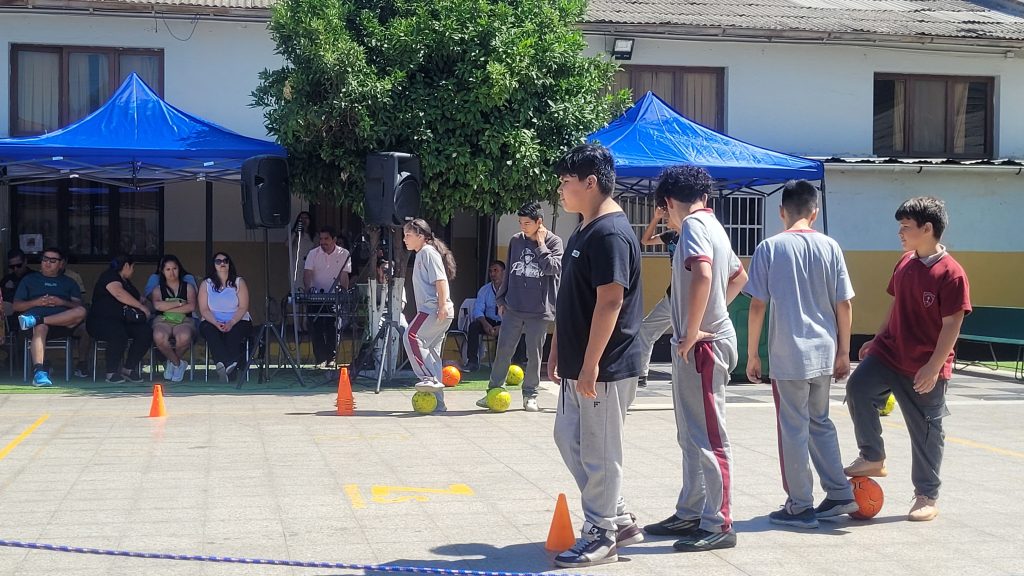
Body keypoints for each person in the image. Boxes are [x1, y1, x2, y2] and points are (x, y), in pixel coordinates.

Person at [844, 196, 970, 522]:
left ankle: (926, 495)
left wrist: (934, 366)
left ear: (927, 229)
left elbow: (952, 323)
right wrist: (877, 338)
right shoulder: (904, 262)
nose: (900, 232)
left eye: (906, 226)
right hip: (890, 351)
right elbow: (895, 304)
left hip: (925, 363)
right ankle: (873, 456)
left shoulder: (951, 273)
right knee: (858, 387)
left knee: (926, 431)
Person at [548, 144, 644, 568]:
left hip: (605, 366)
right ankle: (617, 516)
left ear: (591, 182)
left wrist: (590, 365)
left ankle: (602, 534)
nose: (560, 190)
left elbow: (610, 301)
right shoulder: (585, 228)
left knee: (600, 452)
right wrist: (557, 348)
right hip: (579, 363)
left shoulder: (610, 233)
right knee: (568, 438)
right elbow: (571, 298)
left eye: (566, 182)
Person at [644, 165, 747, 552]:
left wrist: (693, 328)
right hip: (705, 341)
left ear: (669, 202)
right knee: (691, 434)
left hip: (702, 346)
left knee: (708, 437)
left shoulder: (692, 226)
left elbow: (703, 274)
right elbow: (739, 277)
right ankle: (690, 512)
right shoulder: (714, 225)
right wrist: (714, 315)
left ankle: (719, 522)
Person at [744, 180, 858, 528]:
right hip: (824, 350)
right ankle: (839, 492)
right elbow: (844, 303)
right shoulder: (831, 246)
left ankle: (800, 505)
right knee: (820, 422)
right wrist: (844, 351)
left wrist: (752, 354)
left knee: (793, 427)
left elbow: (757, 305)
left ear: (782, 212)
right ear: (815, 212)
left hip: (788, 353)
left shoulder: (770, 247)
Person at [478, 201, 563, 412]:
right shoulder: (516, 241)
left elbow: (553, 268)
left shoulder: (554, 242)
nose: (523, 227)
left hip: (539, 310)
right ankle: (493, 391)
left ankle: (530, 395)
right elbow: (509, 271)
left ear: (539, 222)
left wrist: (541, 245)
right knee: (503, 350)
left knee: (534, 355)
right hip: (513, 307)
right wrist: (500, 299)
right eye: (520, 223)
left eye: (527, 223)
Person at [403, 219, 457, 412]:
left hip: (433, 309)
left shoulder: (427, 252)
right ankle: (438, 403)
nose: (404, 239)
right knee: (432, 354)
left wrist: (442, 306)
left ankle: (428, 378)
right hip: (436, 310)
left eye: (408, 235)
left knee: (410, 336)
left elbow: (440, 281)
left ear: (421, 236)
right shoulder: (421, 254)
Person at [13, 247, 87, 387]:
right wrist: (37, 302)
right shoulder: (29, 279)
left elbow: (78, 306)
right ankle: (39, 372)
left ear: (61, 264)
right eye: (45, 260)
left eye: (53, 261)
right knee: (41, 327)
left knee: (81, 311)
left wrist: (62, 302)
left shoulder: (69, 282)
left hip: (62, 324)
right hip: (36, 327)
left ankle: (36, 320)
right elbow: (16, 306)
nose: (47, 263)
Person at [86, 254, 153, 384]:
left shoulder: (127, 283)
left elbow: (139, 299)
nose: (133, 271)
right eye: (133, 267)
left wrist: (149, 306)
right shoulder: (109, 276)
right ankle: (111, 372)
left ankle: (128, 368)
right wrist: (140, 307)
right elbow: (118, 293)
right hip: (101, 322)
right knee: (117, 334)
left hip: (124, 321)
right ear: (126, 265)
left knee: (145, 332)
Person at [635, 205, 679, 388]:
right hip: (672, 296)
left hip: (690, 298)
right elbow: (645, 241)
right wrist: (656, 218)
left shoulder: (693, 236)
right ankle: (641, 374)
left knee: (686, 337)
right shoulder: (671, 236)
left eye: (668, 215)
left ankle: (688, 375)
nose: (666, 218)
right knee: (646, 329)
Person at [198, 252, 253, 382]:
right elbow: (204, 309)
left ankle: (223, 366)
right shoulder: (206, 284)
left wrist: (231, 322)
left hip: (238, 319)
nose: (222, 263)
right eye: (218, 261)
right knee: (209, 330)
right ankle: (229, 364)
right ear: (213, 265)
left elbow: (243, 307)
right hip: (212, 320)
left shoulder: (239, 282)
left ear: (229, 264)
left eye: (225, 260)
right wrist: (216, 323)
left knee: (233, 333)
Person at [303, 226, 352, 367]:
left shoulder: (344, 253)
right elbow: (307, 274)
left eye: (326, 239)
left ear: (334, 239)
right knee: (316, 327)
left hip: (334, 297)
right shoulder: (313, 253)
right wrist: (308, 290)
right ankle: (320, 359)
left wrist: (343, 293)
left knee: (333, 327)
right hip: (316, 296)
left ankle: (331, 358)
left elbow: (344, 276)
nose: (323, 242)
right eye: (321, 239)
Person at [150, 255, 198, 382]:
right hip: (163, 321)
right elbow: (157, 306)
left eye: (174, 268)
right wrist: (180, 303)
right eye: (168, 269)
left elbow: (191, 307)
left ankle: (171, 363)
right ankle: (178, 364)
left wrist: (167, 307)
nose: (172, 272)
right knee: (159, 336)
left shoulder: (188, 287)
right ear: (162, 271)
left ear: (179, 269)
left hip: (184, 320)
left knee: (184, 337)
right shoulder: (158, 289)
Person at [465, 260, 506, 372]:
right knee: (474, 326)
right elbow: (478, 310)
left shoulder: (511, 290)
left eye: (496, 270)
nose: (492, 274)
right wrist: (485, 324)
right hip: (489, 321)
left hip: (506, 322)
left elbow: (514, 311)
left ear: (504, 272)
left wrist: (502, 327)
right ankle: (472, 362)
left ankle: (517, 362)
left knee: (519, 327)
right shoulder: (484, 290)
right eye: (490, 271)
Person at [2, 249, 34, 329]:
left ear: (25, 262)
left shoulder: (35, 278)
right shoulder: (6, 280)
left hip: (31, 316)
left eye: (18, 265)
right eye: (12, 267)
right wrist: (6, 289)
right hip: (10, 321)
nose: (15, 269)